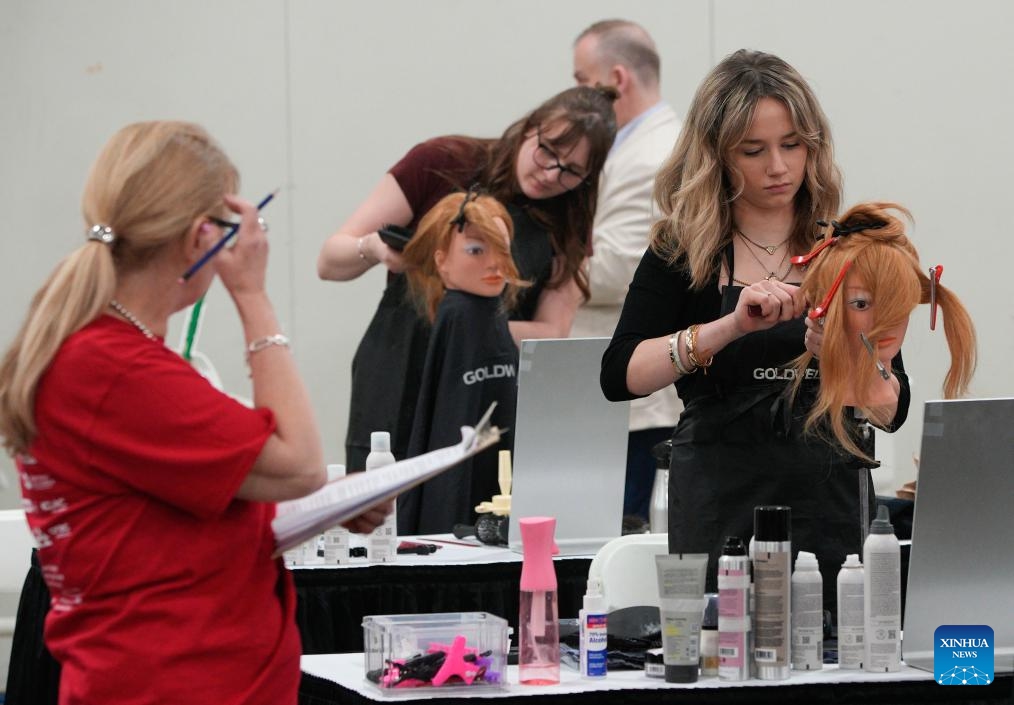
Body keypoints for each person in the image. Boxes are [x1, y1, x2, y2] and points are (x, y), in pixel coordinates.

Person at [0, 121, 388, 705]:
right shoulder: (116, 369)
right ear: (199, 238)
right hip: (175, 681)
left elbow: (179, 511)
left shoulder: (109, 358)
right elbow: (302, 462)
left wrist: (329, 506)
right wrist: (254, 298)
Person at [600, 50, 911, 610]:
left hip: (831, 512)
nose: (778, 167)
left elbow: (892, 408)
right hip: (718, 507)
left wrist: (842, 358)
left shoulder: (851, 251)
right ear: (715, 156)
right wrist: (727, 328)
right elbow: (620, 374)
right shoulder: (681, 252)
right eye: (754, 150)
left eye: (792, 145)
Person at [317, 86, 617, 472]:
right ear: (530, 128)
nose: (550, 174)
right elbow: (329, 261)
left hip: (480, 384)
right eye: (547, 152)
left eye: (572, 171)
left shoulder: (569, 217)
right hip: (398, 369)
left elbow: (552, 328)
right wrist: (373, 248)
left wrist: (473, 331)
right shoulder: (441, 162)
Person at [571, 19, 683, 523]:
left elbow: (614, 270)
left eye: (579, 80)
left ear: (617, 78)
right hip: (634, 387)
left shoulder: (648, 158)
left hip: (638, 401)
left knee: (621, 537)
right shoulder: (647, 145)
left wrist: (526, 274)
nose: (574, 97)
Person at [789, 201, 976, 459]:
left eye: (897, 302)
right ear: (824, 310)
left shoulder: (885, 367)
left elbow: (889, 412)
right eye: (861, 304)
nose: (885, 322)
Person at [397, 190, 526, 534]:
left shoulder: (490, 314)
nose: (495, 263)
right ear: (442, 261)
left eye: (502, 249)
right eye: (476, 250)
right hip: (459, 501)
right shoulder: (459, 317)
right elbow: (447, 419)